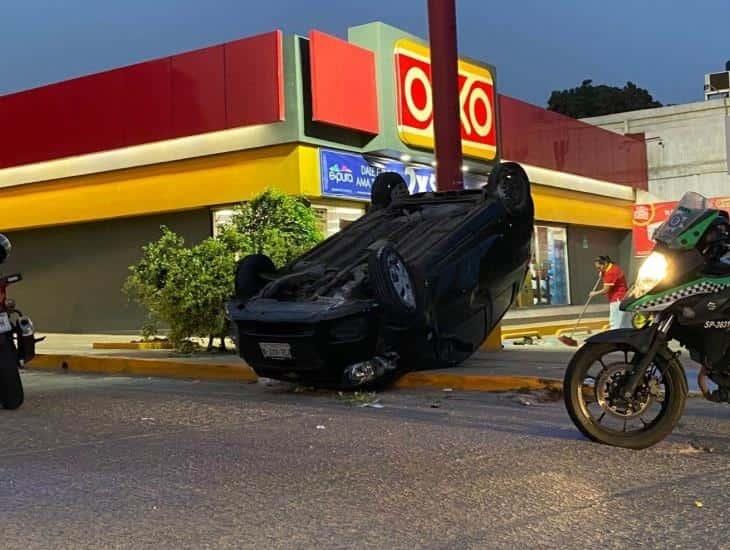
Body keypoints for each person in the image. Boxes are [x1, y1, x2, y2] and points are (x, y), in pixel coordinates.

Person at [591, 255, 630, 329]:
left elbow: (605, 290)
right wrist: (602, 272)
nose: (598, 270)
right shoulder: (614, 267)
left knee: (615, 322)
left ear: (605, 263)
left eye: (599, 267)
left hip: (617, 300)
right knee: (626, 322)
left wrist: (594, 293)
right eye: (597, 268)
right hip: (624, 298)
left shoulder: (610, 273)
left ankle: (614, 338)